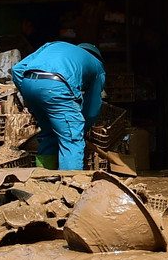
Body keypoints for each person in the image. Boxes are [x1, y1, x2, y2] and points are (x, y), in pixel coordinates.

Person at [11, 40, 107, 171]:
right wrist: (81, 129)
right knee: (71, 140)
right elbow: (92, 109)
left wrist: (30, 96)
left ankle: (45, 180)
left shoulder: (53, 45)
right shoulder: (97, 65)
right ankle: (69, 187)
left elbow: (17, 70)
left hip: (28, 83)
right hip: (56, 87)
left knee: (48, 133)